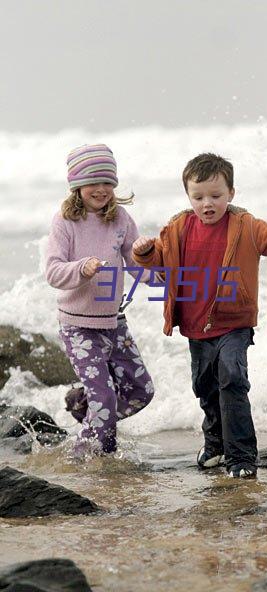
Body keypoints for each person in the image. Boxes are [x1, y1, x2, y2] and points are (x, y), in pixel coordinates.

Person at [132, 153, 267, 478]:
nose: (207, 204)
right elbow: (159, 260)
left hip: (234, 322)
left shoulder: (245, 225)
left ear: (231, 194)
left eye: (215, 196)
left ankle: (241, 458)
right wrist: (143, 251)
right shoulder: (178, 227)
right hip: (196, 326)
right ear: (189, 196)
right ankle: (214, 445)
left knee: (232, 380)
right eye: (198, 197)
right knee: (206, 387)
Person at [46, 143, 154, 455]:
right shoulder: (64, 222)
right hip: (78, 327)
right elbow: (53, 272)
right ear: (76, 185)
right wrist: (82, 268)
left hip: (114, 323)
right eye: (94, 182)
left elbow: (136, 264)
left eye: (108, 182)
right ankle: (93, 460)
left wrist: (165, 278)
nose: (102, 189)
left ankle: (84, 408)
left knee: (141, 390)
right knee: (105, 400)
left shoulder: (120, 219)